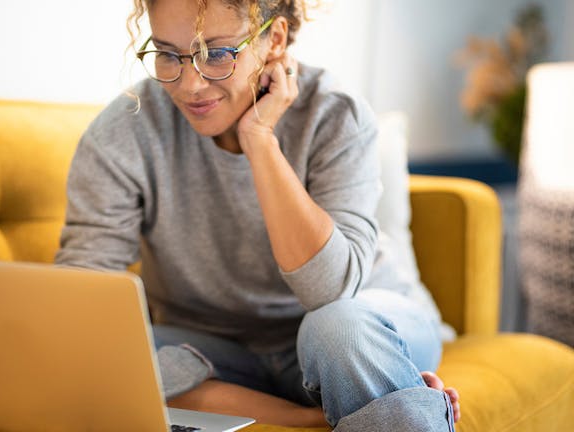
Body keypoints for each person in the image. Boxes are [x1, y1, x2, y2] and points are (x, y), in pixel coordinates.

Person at [55, 0, 460, 429]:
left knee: (340, 330)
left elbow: (331, 291)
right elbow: (85, 300)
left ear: (276, 39)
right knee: (104, 353)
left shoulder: (335, 113)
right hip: (215, 351)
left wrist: (260, 139)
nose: (190, 83)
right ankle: (314, 417)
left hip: (355, 325)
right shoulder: (124, 131)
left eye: (217, 53)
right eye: (169, 54)